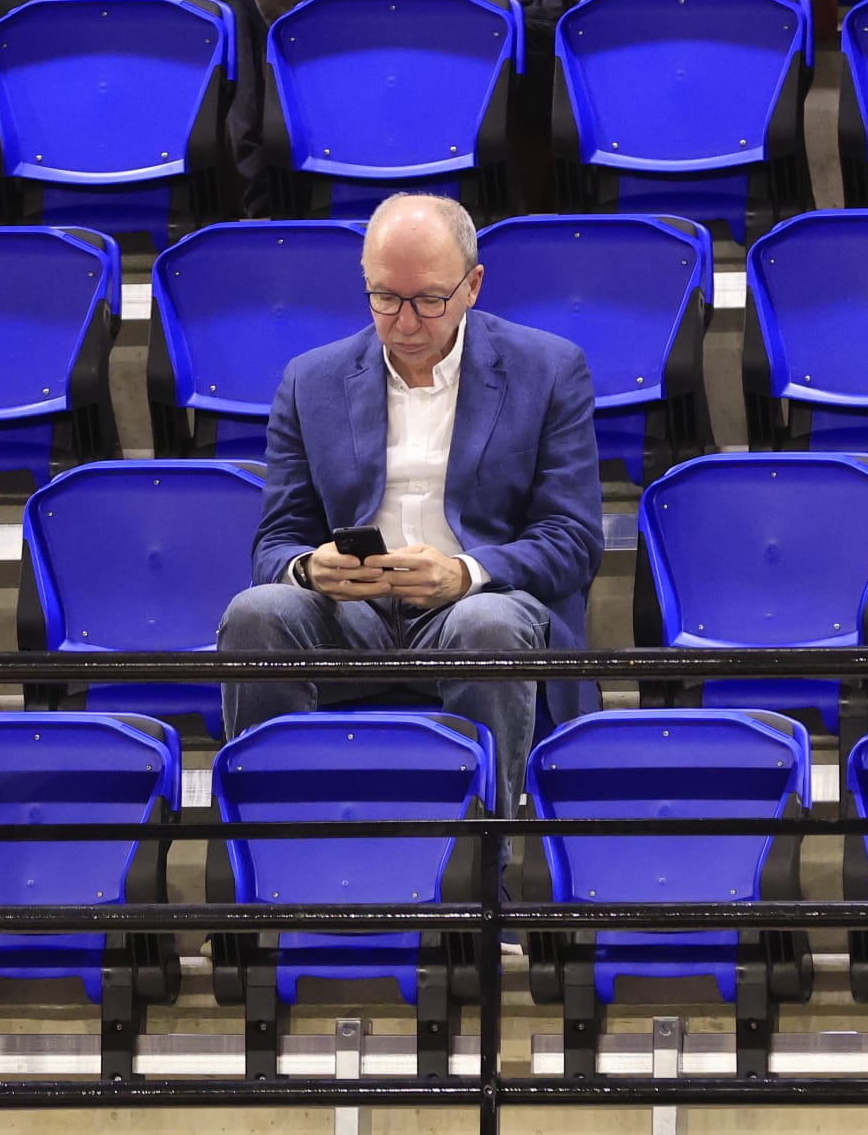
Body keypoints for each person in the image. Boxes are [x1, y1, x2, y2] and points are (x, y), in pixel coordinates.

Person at [218, 193, 604, 816]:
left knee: (491, 627)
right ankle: (274, 852)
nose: (404, 321)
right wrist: (309, 569)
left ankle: (485, 872)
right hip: (352, 615)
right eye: (384, 297)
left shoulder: (550, 369)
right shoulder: (309, 379)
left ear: (473, 285)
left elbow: (574, 539)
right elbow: (275, 541)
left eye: (428, 300)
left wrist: (465, 573)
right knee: (255, 614)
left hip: (476, 608)